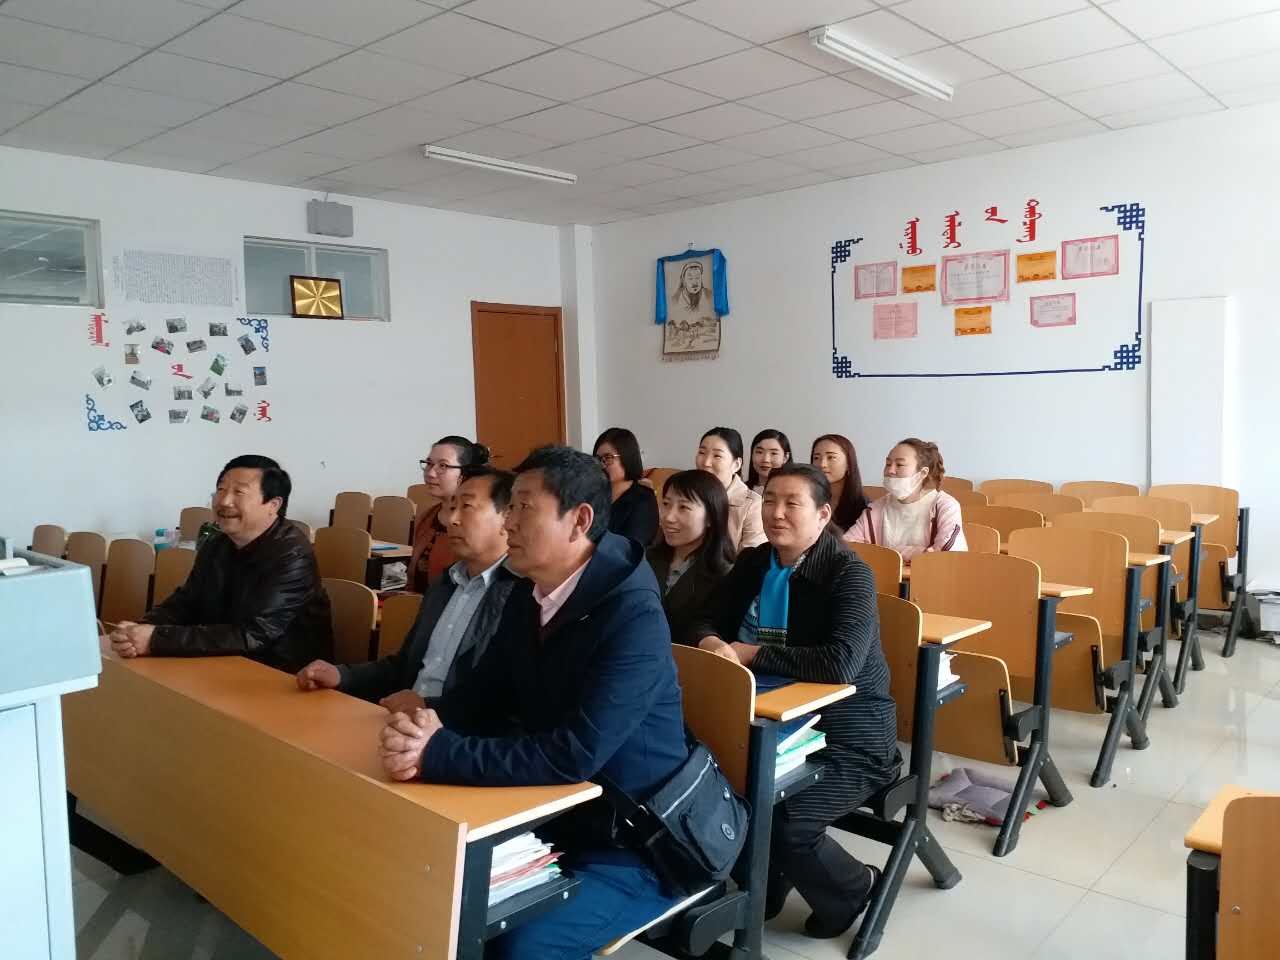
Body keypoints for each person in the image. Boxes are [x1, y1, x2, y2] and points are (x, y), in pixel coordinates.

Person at [375, 446, 690, 960]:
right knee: (412, 883)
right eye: (509, 506)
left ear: (578, 520)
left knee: (519, 945)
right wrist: (424, 724)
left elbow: (574, 755)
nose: (508, 521)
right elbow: (487, 691)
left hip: (634, 838)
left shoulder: (632, 615)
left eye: (523, 507)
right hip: (556, 811)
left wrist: (439, 752)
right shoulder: (532, 589)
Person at [690, 463, 897, 940]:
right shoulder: (755, 562)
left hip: (847, 734)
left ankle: (856, 886)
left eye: (792, 503)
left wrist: (750, 653)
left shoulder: (849, 574)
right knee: (713, 791)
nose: (776, 513)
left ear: (823, 514)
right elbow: (702, 619)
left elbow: (840, 662)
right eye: (769, 501)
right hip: (765, 720)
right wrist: (712, 644)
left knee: (784, 819)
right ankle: (768, 882)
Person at [296, 467, 517, 710]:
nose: (451, 519)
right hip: (407, 719)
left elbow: (505, 702)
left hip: (452, 728)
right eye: (452, 507)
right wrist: (342, 675)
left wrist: (430, 707)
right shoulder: (445, 583)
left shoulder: (522, 595)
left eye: (467, 506)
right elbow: (404, 667)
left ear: (507, 517)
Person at [108, 455, 332, 673]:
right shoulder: (217, 544)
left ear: (273, 504)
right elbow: (186, 601)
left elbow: (254, 635)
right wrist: (139, 630)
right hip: (222, 660)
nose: (224, 501)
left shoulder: (292, 554)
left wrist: (156, 639)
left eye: (239, 492)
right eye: (221, 490)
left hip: (280, 674)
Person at [646, 469, 734, 645]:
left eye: (683, 507)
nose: (668, 517)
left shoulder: (725, 574)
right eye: (666, 504)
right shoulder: (646, 558)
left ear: (711, 517)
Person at [845, 438, 967, 560]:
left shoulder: (945, 506)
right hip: (886, 572)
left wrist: (890, 554)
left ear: (923, 473)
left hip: (933, 572)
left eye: (899, 465)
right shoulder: (875, 509)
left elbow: (944, 555)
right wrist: (919, 552)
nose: (890, 470)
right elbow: (847, 547)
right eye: (888, 464)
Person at [409, 436, 490, 592]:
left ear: (466, 473)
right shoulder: (427, 517)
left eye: (443, 466)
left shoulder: (477, 523)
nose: (430, 473)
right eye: (429, 464)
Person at [695, 426, 765, 554]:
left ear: (736, 465)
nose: (706, 463)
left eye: (717, 455)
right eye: (702, 452)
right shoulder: (686, 494)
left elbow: (751, 559)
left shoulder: (753, 505)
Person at [594, 426, 658, 547]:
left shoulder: (643, 499)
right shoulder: (595, 494)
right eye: (598, 459)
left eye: (608, 458)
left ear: (627, 457)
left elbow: (631, 548)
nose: (601, 465)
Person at [810, 433, 868, 534]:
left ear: (849, 463)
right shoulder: (808, 499)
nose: (822, 464)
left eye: (831, 457)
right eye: (816, 458)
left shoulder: (864, 508)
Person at [747, 429, 792, 495]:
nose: (765, 460)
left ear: (785, 457)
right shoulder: (741, 490)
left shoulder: (793, 491)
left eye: (773, 453)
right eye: (759, 452)